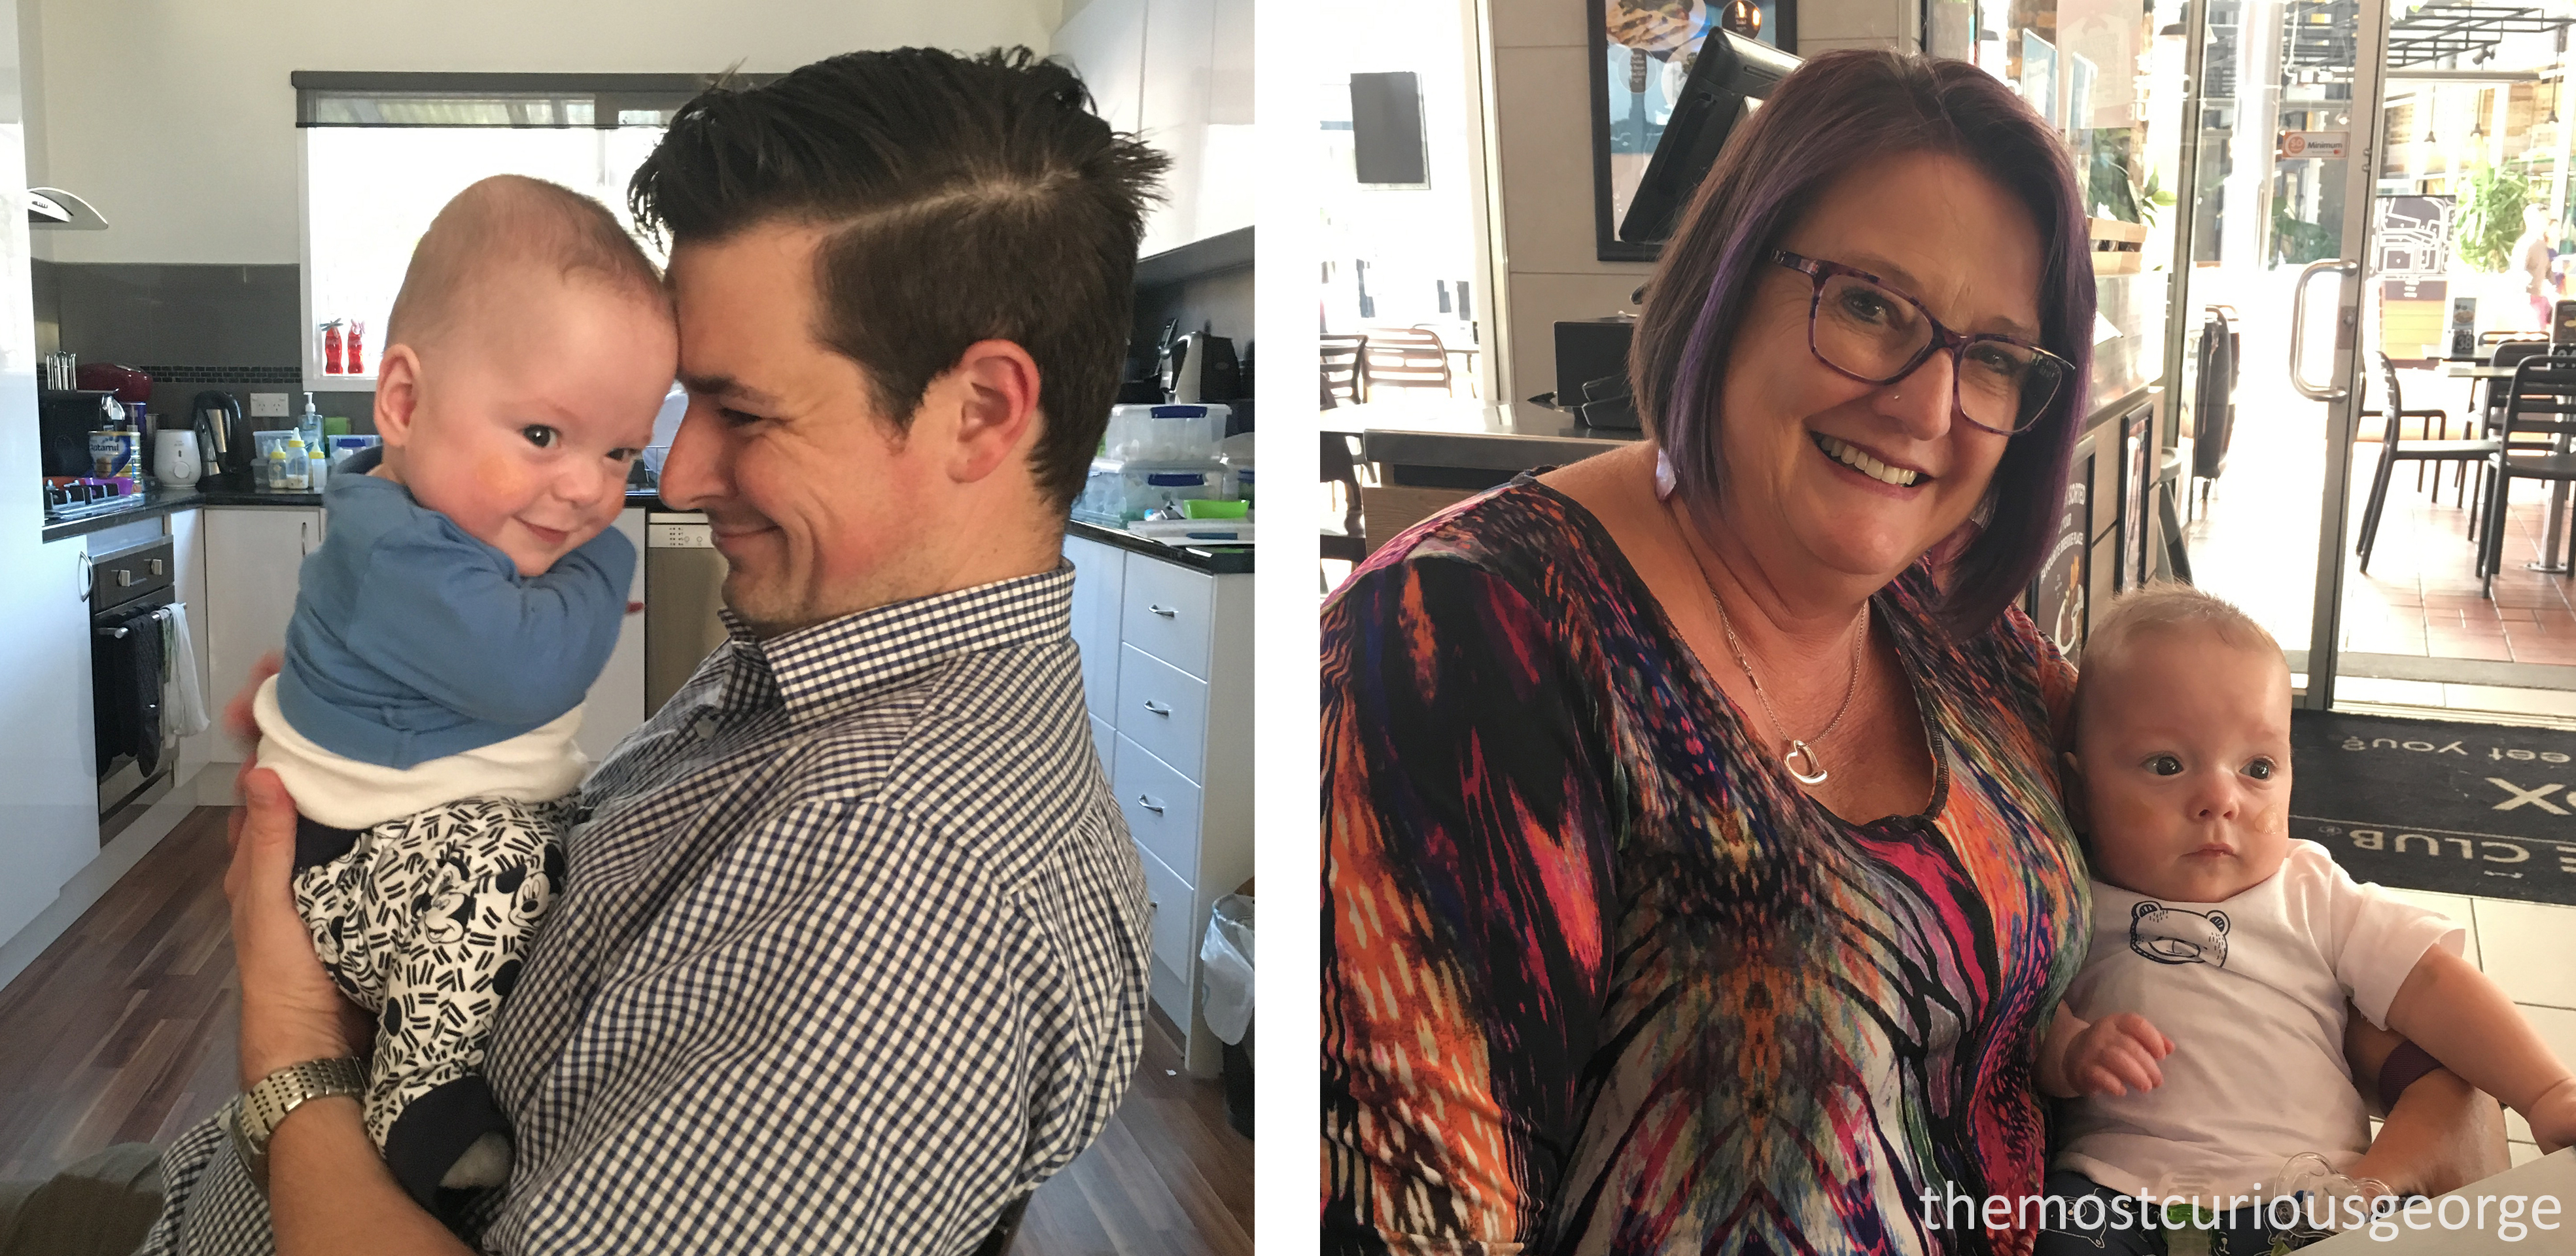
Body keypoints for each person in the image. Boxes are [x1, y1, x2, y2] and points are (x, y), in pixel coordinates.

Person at [1319, 48, 2508, 1254]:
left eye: (1991, 356)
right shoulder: (1460, 642)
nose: (1928, 407)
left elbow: (2239, 907)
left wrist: (2422, 1094)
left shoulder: (1950, 621)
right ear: (1726, 277)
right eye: (1869, 305)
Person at [97, 46, 1164, 1256]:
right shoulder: (806, 671)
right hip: (200, 1181)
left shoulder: (897, 880)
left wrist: (289, 1043)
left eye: (742, 411)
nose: (678, 474)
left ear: (979, 412)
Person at [243, 174, 669, 1207]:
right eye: (543, 436)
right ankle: (420, 1101)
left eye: (620, 451)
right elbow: (535, 668)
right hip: (361, 868)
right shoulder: (401, 555)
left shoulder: (440, 523)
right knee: (505, 860)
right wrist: (603, 565)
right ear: (403, 403)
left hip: (410, 853)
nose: (589, 488)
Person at [2030, 585, 2576, 1253]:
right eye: (2166, 765)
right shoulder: (2067, 900)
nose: (2219, 799)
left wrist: (2546, 1092)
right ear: (2079, 792)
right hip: (2113, 1193)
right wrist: (2067, 1051)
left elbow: (2432, 982)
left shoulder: (2310, 891)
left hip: (2311, 1194)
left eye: (2257, 768)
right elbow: (2019, 1020)